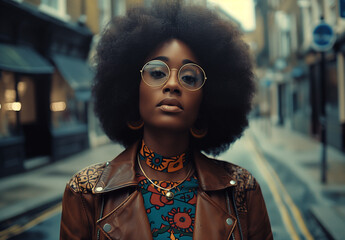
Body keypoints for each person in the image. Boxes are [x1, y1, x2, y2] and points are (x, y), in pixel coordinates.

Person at [60, 1, 273, 239]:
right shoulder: (86, 193)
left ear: (207, 99)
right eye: (158, 73)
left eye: (189, 78)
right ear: (132, 88)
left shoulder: (242, 190)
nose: (172, 84)